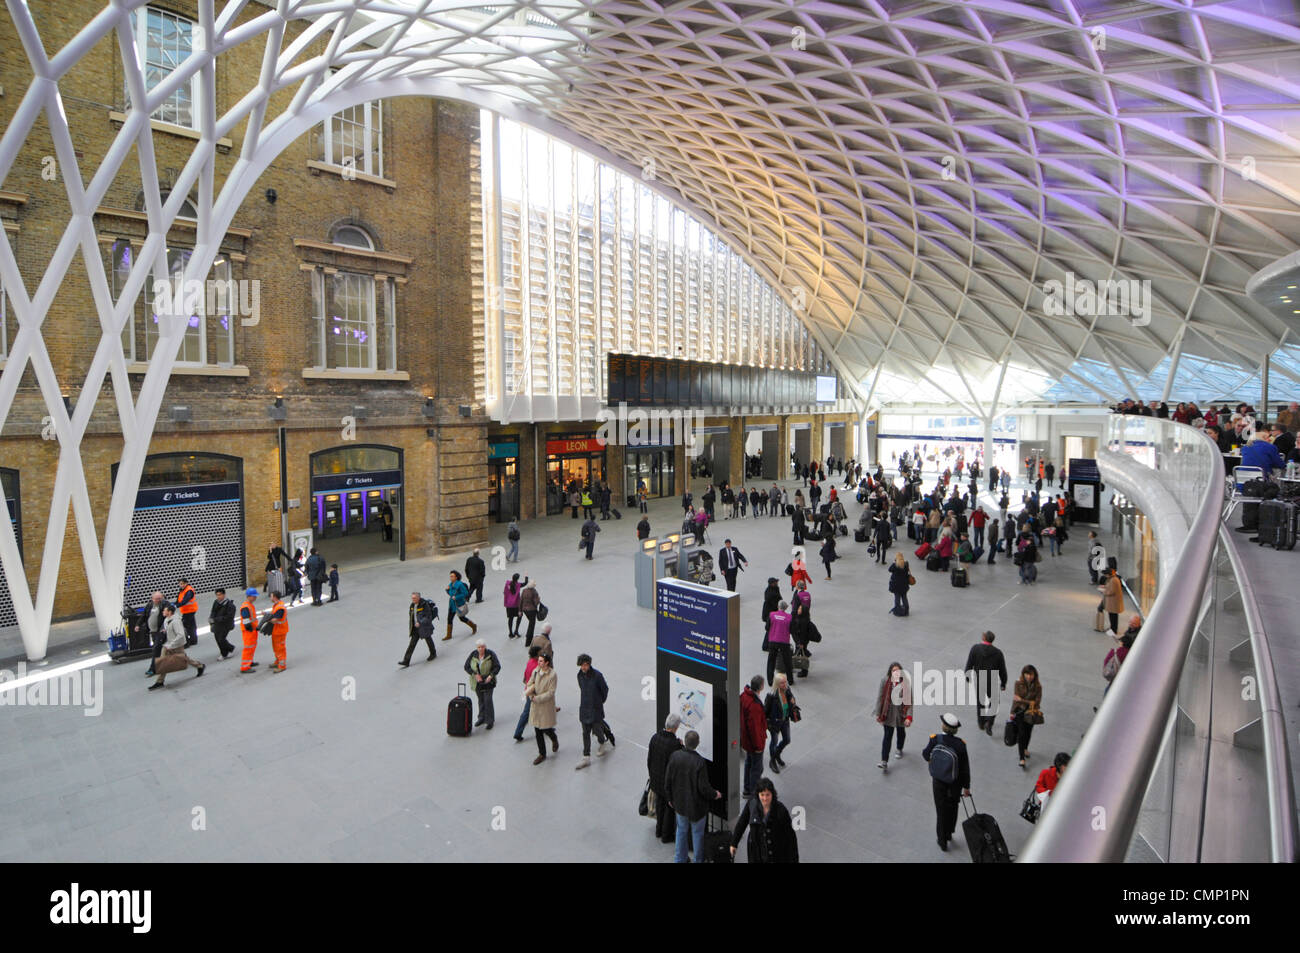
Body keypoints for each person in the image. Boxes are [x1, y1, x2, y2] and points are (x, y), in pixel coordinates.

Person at [664, 730, 722, 863]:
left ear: (684, 741)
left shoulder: (675, 756)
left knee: (681, 831)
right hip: (696, 807)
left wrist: (669, 798)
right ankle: (698, 860)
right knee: (697, 835)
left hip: (680, 803)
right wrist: (715, 795)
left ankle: (680, 858)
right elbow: (703, 788)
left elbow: (668, 779)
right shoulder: (699, 762)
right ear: (697, 744)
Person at [921, 712, 971, 852]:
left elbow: (925, 754)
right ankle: (949, 833)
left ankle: (942, 840)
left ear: (943, 726)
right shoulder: (960, 745)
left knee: (940, 810)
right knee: (953, 808)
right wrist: (966, 787)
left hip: (938, 782)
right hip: (955, 783)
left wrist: (932, 762)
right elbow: (965, 769)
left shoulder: (935, 739)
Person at [729, 778, 799, 863]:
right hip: (757, 853)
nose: (765, 798)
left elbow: (791, 839)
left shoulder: (781, 811)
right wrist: (734, 843)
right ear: (758, 794)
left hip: (776, 854)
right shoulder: (752, 804)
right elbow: (742, 822)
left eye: (767, 795)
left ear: (772, 794)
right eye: (762, 795)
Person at [147, 604, 205, 690]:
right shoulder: (167, 619)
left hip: (176, 645)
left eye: (165, 610)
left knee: (184, 658)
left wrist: (172, 645)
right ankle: (160, 681)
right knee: (163, 662)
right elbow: (169, 629)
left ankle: (199, 666)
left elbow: (181, 635)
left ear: (170, 612)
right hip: (167, 644)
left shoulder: (176, 621)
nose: (163, 611)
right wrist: (165, 631)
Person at [647, 714, 685, 843]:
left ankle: (658, 829)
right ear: (676, 727)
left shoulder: (655, 738)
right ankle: (666, 835)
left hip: (656, 779)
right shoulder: (675, 745)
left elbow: (649, 759)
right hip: (667, 783)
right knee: (669, 808)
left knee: (659, 805)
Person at [575, 653, 614, 769]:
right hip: (584, 709)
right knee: (585, 733)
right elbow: (582, 689)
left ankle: (602, 742)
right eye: (582, 665)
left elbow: (605, 690)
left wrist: (599, 702)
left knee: (597, 730)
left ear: (589, 664)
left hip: (595, 710)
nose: (583, 668)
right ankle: (586, 757)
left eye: (585, 665)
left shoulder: (597, 676)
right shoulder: (579, 676)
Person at [964, 631, 1007, 734]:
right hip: (992, 679)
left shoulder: (975, 648)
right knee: (995, 702)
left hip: (980, 678)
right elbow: (1002, 669)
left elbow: (969, 663)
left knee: (980, 702)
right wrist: (1003, 683)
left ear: (983, 638)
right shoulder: (998, 653)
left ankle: (981, 723)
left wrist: (967, 675)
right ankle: (989, 721)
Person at [875, 661, 913, 770]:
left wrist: (909, 717)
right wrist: (879, 713)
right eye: (894, 670)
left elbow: (909, 702)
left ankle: (899, 748)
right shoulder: (885, 681)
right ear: (890, 672)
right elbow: (880, 697)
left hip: (901, 714)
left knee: (901, 732)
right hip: (888, 713)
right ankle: (884, 761)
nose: (896, 672)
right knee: (887, 736)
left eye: (898, 670)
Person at [525, 652, 559, 764]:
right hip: (535, 706)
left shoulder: (552, 675)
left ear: (547, 663)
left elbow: (551, 692)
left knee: (545, 728)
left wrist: (537, 698)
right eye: (538, 660)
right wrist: (530, 694)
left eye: (540, 661)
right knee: (537, 730)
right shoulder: (536, 671)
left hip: (544, 706)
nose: (538, 662)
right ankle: (542, 754)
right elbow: (529, 683)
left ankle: (554, 738)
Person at [463, 639, 502, 729]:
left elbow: (497, 666)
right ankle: (481, 717)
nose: (481, 649)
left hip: (488, 680)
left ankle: (490, 720)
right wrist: (475, 674)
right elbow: (466, 666)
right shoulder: (473, 654)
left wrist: (491, 676)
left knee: (488, 700)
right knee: (480, 699)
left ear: (485, 647)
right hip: (477, 681)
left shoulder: (491, 654)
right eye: (479, 647)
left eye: (482, 647)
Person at [740, 675, 767, 797]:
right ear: (761, 686)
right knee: (756, 769)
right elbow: (754, 728)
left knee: (748, 763)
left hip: (746, 739)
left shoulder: (744, 696)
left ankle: (746, 789)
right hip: (754, 742)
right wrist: (758, 746)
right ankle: (753, 793)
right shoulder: (754, 705)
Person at [1011, 664, 1043, 768]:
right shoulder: (1018, 683)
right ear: (1023, 674)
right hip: (1020, 712)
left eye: (1031, 675)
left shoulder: (1038, 687)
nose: (1029, 677)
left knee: (1028, 733)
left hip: (1031, 713)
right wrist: (1012, 711)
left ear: (1035, 675)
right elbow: (1015, 699)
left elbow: (1037, 703)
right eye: (1027, 674)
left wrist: (1022, 700)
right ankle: (1022, 758)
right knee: (1021, 733)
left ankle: (1025, 748)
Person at [764, 673, 795, 773]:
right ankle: (772, 761)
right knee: (774, 742)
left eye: (785, 682)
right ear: (777, 684)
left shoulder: (787, 690)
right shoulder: (771, 696)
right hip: (775, 723)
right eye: (782, 683)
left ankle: (776, 754)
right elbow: (765, 711)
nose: (785, 684)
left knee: (787, 739)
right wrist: (768, 723)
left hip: (785, 720)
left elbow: (791, 700)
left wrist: (793, 701)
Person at [400, 591, 438, 667]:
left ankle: (433, 653)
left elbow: (428, 616)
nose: (413, 599)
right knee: (412, 644)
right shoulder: (412, 605)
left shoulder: (424, 604)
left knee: (428, 640)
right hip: (415, 628)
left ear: (419, 597)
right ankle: (406, 661)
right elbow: (411, 616)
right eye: (412, 598)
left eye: (414, 598)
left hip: (424, 627)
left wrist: (420, 622)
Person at [513, 645, 542, 742]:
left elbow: (525, 676)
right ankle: (518, 732)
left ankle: (518, 732)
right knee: (529, 712)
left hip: (528, 689)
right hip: (534, 692)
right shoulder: (537, 666)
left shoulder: (530, 662)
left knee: (529, 712)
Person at [143, 592, 174, 676]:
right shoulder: (150, 605)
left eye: (160, 598)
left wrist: (164, 628)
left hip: (161, 632)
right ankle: (181, 660)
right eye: (157, 599)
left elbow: (169, 616)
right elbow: (144, 616)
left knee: (156, 648)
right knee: (161, 649)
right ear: (152, 599)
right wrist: (138, 625)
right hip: (153, 631)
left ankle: (152, 669)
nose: (159, 600)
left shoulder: (165, 604)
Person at [443, 570, 478, 640]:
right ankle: (448, 635)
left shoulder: (460, 584)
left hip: (459, 604)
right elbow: (451, 594)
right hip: (452, 605)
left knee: (462, 618)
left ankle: (473, 626)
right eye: (450, 576)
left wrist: (456, 597)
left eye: (452, 576)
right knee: (449, 619)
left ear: (456, 577)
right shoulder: (451, 584)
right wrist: (447, 590)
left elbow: (465, 593)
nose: (450, 578)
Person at [765, 599, 793, 687]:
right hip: (784, 641)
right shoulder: (789, 617)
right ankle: (790, 679)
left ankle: (770, 680)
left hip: (773, 640)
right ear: (786, 608)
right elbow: (792, 630)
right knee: (787, 661)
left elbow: (767, 627)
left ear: (778, 606)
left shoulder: (772, 615)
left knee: (771, 660)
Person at [207, 588, 236, 660]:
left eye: (220, 595)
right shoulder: (216, 602)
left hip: (226, 625)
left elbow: (229, 617)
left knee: (221, 639)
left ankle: (224, 653)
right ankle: (229, 648)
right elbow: (213, 611)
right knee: (217, 639)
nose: (218, 597)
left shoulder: (230, 605)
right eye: (217, 595)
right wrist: (211, 618)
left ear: (224, 594)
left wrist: (216, 619)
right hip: (217, 624)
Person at [237, 588, 261, 673]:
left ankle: (249, 662)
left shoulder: (249, 605)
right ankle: (245, 667)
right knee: (248, 647)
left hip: (252, 630)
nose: (255, 598)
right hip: (249, 631)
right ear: (249, 596)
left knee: (252, 646)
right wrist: (250, 628)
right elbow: (246, 620)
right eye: (254, 596)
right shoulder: (246, 607)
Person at [265, 590, 288, 672]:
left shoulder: (279, 608)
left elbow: (275, 619)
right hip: (277, 630)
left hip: (280, 630)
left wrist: (268, 620)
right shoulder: (277, 605)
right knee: (276, 647)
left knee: (280, 648)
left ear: (274, 597)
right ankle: (278, 661)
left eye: (271, 596)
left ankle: (282, 665)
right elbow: (273, 614)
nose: (270, 597)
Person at [1100, 566, 1124, 635]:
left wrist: (1103, 591)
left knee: (1113, 617)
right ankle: (1112, 628)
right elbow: (1110, 587)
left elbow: (1112, 591)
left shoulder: (1113, 580)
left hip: (1114, 602)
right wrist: (1105, 587)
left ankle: (1113, 630)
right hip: (1113, 602)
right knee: (1112, 616)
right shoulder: (1113, 578)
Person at [175, 578, 199, 646]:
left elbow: (185, 600)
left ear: (186, 583)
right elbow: (178, 600)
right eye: (180, 584)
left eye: (182, 583)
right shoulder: (182, 591)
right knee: (191, 625)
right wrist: (175, 604)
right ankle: (193, 639)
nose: (181, 585)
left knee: (187, 625)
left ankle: (190, 640)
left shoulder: (189, 591)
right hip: (187, 610)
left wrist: (176, 606)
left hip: (190, 610)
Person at [503, 573, 527, 639]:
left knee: (510, 618)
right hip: (516, 604)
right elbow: (525, 583)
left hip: (509, 605)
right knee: (519, 616)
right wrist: (526, 577)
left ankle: (510, 632)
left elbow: (504, 592)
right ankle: (516, 630)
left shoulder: (507, 583)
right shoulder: (518, 585)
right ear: (518, 579)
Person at [887, 551, 912, 617]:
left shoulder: (895, 565)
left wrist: (894, 562)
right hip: (904, 585)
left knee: (897, 598)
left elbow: (889, 570)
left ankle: (898, 611)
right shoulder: (906, 564)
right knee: (904, 597)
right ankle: (906, 610)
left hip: (896, 586)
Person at [519, 580, 541, 645]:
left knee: (530, 622)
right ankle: (528, 640)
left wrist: (520, 610)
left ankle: (528, 636)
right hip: (532, 610)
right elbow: (536, 603)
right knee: (532, 625)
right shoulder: (534, 592)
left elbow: (521, 601)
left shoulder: (524, 590)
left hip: (525, 610)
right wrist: (538, 599)